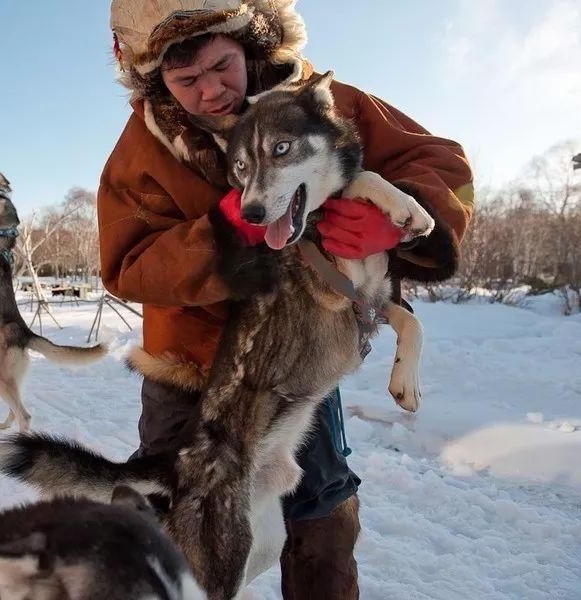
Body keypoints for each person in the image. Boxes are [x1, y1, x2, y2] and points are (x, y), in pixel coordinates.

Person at [99, 2, 474, 598]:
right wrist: (225, 234)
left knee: (321, 520)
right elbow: (127, 266)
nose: (211, 90)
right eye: (185, 80)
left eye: (222, 66)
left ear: (245, 45)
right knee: (179, 518)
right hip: (189, 366)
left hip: (299, 357)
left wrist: (396, 219)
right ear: (154, 78)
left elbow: (441, 163)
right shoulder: (141, 149)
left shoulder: (318, 101)